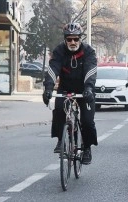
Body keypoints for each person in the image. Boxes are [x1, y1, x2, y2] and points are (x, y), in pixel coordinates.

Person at [42, 22, 98, 165]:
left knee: (87, 121)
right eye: (69, 39)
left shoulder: (88, 51)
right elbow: (53, 69)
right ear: (65, 39)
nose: (73, 42)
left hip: (85, 90)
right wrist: (48, 88)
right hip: (65, 88)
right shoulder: (59, 51)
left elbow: (90, 71)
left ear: (80, 38)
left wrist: (89, 88)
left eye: (76, 39)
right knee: (59, 110)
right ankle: (61, 140)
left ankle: (87, 148)